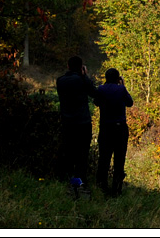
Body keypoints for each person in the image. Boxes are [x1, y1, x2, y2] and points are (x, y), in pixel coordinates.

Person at [56, 56, 97, 197]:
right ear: (81, 67)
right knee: (82, 155)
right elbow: (94, 93)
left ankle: (70, 183)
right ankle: (80, 184)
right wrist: (85, 76)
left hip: (67, 123)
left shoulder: (60, 81)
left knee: (69, 153)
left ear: (68, 66)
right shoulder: (82, 80)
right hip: (82, 123)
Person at [94, 67, 134, 197]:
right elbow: (130, 103)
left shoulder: (101, 89)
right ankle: (116, 189)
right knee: (119, 158)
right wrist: (122, 85)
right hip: (120, 128)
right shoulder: (121, 89)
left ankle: (102, 186)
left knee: (104, 158)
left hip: (105, 128)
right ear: (118, 78)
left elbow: (96, 102)